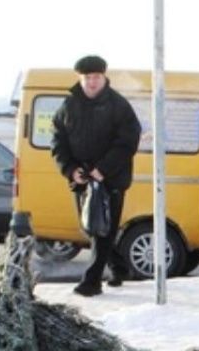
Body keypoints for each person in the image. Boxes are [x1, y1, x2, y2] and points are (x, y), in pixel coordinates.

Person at [51, 55, 142, 297]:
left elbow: (128, 141)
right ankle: (119, 267)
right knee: (91, 228)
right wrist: (71, 169)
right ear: (80, 79)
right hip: (81, 179)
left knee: (103, 230)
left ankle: (91, 283)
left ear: (104, 77)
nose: (92, 82)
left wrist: (103, 169)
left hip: (110, 179)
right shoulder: (68, 106)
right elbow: (58, 141)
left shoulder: (118, 105)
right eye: (87, 78)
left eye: (96, 77)